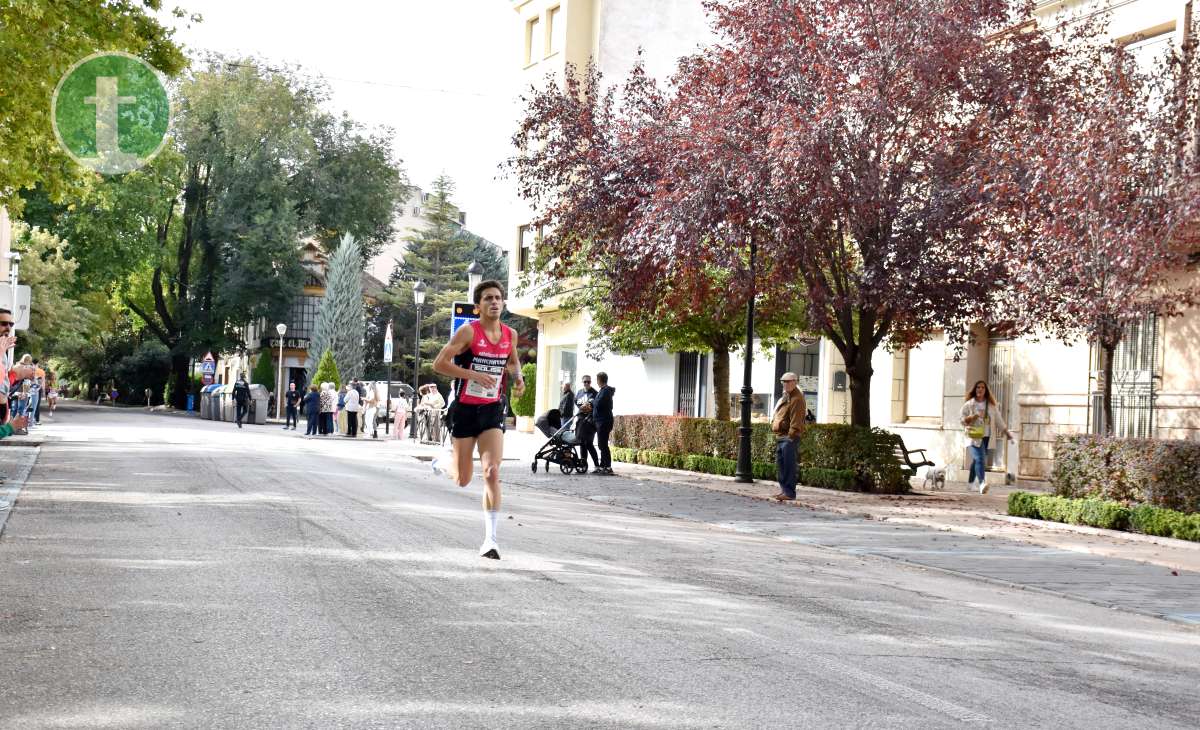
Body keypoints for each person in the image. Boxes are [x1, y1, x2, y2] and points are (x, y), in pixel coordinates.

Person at [432, 279, 525, 560]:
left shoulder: (511, 334)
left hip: (492, 408)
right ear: (478, 306)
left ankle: (491, 540)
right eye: (488, 298)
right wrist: (473, 375)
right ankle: (442, 463)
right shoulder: (468, 332)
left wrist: (518, 378)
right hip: (464, 409)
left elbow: (512, 360)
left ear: (503, 303)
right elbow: (439, 364)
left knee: (492, 472)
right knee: (462, 479)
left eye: (498, 298)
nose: (494, 302)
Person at [960, 380, 1014, 495]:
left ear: (986, 390)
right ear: (975, 390)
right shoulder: (969, 404)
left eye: (983, 387)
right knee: (980, 459)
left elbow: (999, 420)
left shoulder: (991, 406)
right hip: (973, 436)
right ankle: (982, 484)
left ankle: (970, 484)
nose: (980, 389)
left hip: (986, 436)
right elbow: (962, 420)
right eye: (978, 387)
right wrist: (972, 417)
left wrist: (1007, 432)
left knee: (977, 460)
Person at [770, 372, 808, 501]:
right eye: (783, 381)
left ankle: (790, 493)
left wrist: (791, 436)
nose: (785, 384)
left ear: (795, 382)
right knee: (782, 465)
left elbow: (796, 420)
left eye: (787, 381)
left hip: (788, 437)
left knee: (788, 466)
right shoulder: (788, 396)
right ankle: (784, 491)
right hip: (782, 436)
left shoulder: (797, 398)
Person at [592, 372, 616, 475]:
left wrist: (592, 401)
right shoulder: (602, 390)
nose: (596, 382)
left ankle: (608, 467)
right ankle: (602, 465)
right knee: (601, 444)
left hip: (604, 421)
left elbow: (598, 403)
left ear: (599, 380)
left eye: (597, 380)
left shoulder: (605, 391)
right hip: (600, 420)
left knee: (603, 445)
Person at [574, 375, 599, 471]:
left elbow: (595, 407)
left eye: (588, 382)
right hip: (581, 420)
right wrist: (581, 408)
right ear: (582, 382)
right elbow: (576, 402)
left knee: (589, 443)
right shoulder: (579, 392)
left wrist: (589, 408)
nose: (587, 383)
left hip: (590, 422)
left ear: (591, 382)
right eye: (585, 382)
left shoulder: (594, 393)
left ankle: (597, 465)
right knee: (581, 443)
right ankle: (583, 464)